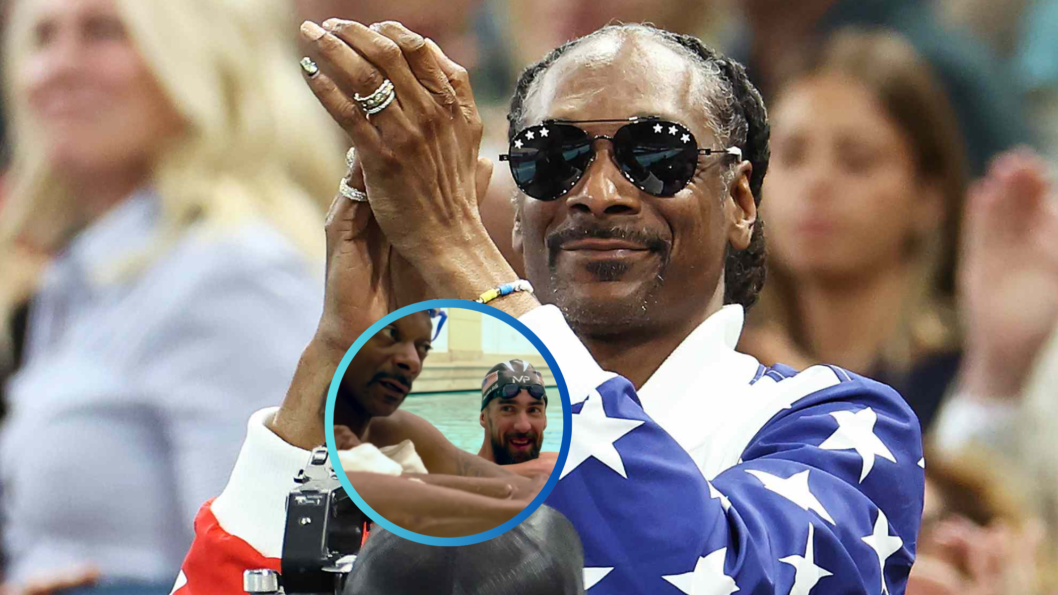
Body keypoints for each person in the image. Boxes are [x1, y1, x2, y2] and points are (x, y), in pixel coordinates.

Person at [177, 19, 926, 594]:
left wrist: (454, 246)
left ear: (739, 201)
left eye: (655, 154)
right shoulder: (423, 433)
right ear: (517, 214)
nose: (598, 193)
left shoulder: (834, 424)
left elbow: (713, 577)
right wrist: (341, 353)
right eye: (552, 158)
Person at [0, 0, 347, 591]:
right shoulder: (78, 275)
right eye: (41, 37)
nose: (57, 67)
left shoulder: (231, 272)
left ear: (202, 60)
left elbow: (275, 566)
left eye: (103, 32)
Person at [739, 29, 966, 432]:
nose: (815, 182)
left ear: (928, 196)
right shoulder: (730, 365)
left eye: (857, 161)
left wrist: (812, 392)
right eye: (790, 156)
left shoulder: (974, 374)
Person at [477, 359, 549, 465]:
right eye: (507, 409)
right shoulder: (458, 474)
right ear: (483, 417)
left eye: (533, 410)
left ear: (545, 420)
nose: (523, 426)